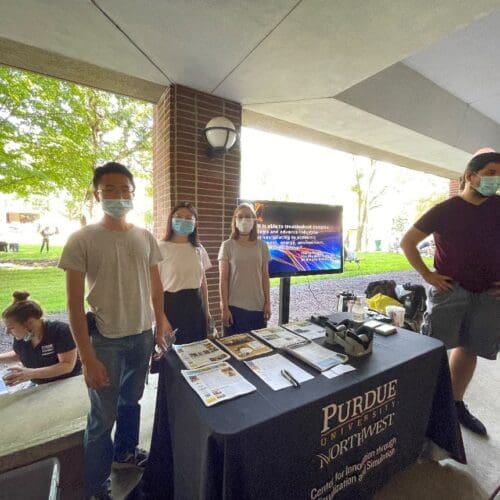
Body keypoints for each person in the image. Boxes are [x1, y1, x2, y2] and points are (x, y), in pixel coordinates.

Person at [58, 162, 173, 500]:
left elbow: (155, 288)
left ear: (133, 195)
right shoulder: (81, 239)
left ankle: (125, 453)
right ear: (97, 194)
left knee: (131, 401)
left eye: (125, 190)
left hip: (140, 336)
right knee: (101, 419)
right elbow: (73, 304)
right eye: (110, 189)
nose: (119, 196)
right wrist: (87, 358)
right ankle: (96, 487)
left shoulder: (145, 236)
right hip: (104, 342)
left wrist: (159, 323)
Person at [401, 151, 500, 436]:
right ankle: (421, 408)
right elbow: (408, 241)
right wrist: (427, 275)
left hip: (489, 296)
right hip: (450, 291)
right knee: (434, 350)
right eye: (491, 172)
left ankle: (455, 405)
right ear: (471, 176)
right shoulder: (446, 209)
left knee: (471, 349)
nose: (496, 179)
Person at [157, 202, 212, 345]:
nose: (184, 220)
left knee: (197, 354)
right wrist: (162, 320)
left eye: (189, 218)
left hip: (195, 308)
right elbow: (151, 289)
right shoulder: (160, 248)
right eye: (179, 217)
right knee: (171, 359)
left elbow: (203, 283)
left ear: (195, 223)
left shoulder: (198, 249)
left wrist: (207, 311)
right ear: (171, 220)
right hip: (170, 308)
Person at [0, 291, 81, 385]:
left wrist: (31, 373)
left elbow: (67, 365)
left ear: (29, 323)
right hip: (39, 383)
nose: (7, 333)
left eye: (11, 328)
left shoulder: (60, 331)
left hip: (69, 381)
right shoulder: (22, 336)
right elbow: (21, 353)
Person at [218, 203, 271, 335]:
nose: (244, 220)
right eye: (240, 216)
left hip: (258, 308)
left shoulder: (262, 246)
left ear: (254, 220)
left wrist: (267, 303)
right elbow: (223, 280)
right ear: (234, 220)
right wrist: (224, 308)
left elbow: (265, 277)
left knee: (259, 350)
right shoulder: (227, 246)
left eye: (248, 216)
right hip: (234, 309)